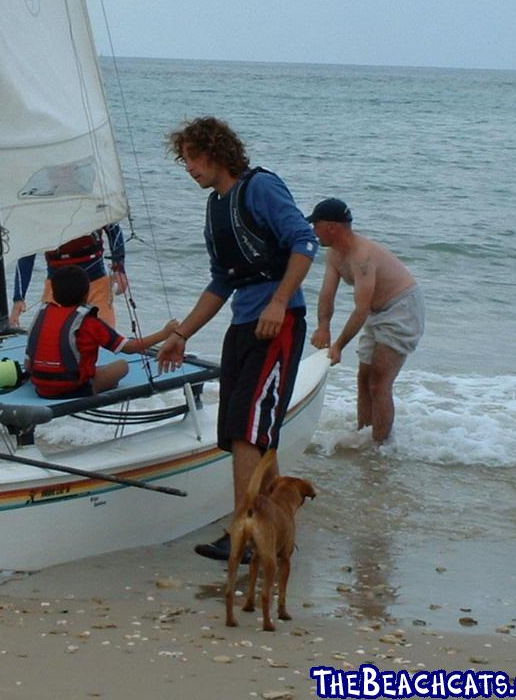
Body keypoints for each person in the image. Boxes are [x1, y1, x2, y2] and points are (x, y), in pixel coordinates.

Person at [155, 117, 319, 563]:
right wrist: (181, 334)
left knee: (250, 430)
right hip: (243, 323)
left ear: (217, 151)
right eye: (183, 159)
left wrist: (280, 301)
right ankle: (275, 533)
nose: (188, 167)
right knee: (241, 432)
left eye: (194, 157)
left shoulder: (260, 188)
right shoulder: (215, 207)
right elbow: (220, 283)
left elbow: (304, 243)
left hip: (278, 322)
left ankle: (243, 532)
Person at [307, 197, 424, 443]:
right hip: (377, 311)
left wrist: (338, 345)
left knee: (380, 381)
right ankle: (365, 438)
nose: (313, 231)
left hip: (401, 308)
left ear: (332, 226)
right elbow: (327, 293)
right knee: (364, 379)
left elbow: (360, 310)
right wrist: (323, 327)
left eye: (315, 225)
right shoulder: (335, 255)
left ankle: (381, 447)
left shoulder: (362, 256)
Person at [25, 265, 177, 398]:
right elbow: (130, 348)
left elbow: (29, 358)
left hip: (40, 385)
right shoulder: (88, 322)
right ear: (87, 294)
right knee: (122, 366)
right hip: (73, 388)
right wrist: (165, 333)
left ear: (54, 293)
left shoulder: (43, 313)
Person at [10, 224, 127, 329]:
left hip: (95, 282)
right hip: (57, 287)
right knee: (49, 335)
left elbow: (113, 227)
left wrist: (119, 269)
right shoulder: (40, 212)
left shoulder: (92, 202)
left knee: (106, 335)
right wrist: (19, 298)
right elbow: (27, 255)